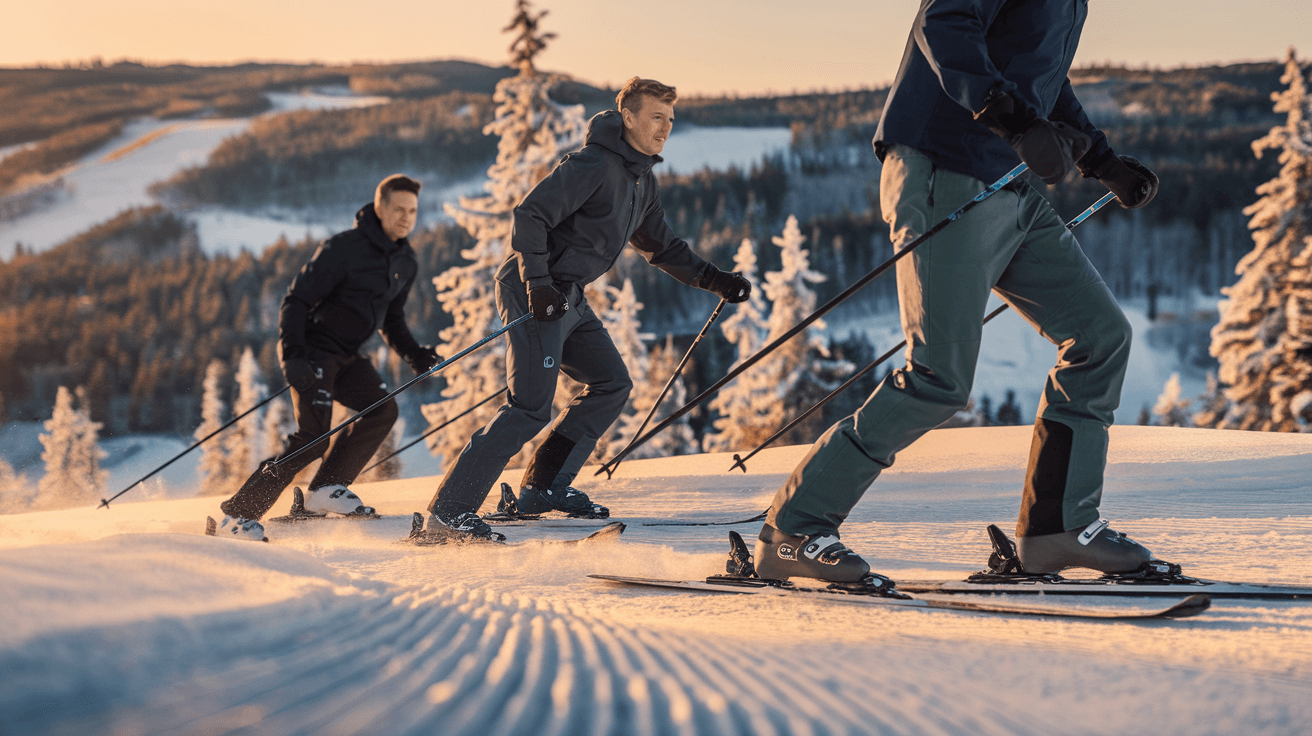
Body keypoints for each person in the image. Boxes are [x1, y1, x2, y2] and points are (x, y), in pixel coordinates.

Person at [754, 0, 1164, 582]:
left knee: (1100, 336)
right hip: (943, 171)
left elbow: (1035, 68)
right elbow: (944, 22)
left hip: (1010, 186)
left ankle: (1057, 529)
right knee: (938, 378)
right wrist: (1014, 120)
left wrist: (1101, 159)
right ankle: (792, 529)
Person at [423, 77, 751, 542]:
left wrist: (714, 279)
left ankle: (544, 488)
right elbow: (529, 214)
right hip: (532, 290)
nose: (665, 128)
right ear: (628, 117)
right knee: (530, 408)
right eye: (656, 117)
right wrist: (537, 283)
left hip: (568, 295)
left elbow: (663, 247)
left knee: (611, 382)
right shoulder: (594, 164)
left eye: (671, 120)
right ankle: (448, 512)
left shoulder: (642, 180)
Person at [213, 174, 439, 541]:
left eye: (412, 210)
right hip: (313, 350)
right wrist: (293, 356)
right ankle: (237, 516)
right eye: (398, 209)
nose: (406, 217)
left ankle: (326, 490)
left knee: (382, 409)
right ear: (379, 208)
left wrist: (414, 354)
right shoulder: (343, 249)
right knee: (314, 437)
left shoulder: (405, 261)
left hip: (348, 355)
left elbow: (392, 319)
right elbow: (295, 301)